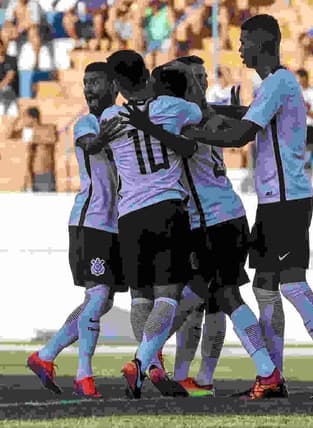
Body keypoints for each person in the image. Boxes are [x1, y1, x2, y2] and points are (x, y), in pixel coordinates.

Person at [161, 14, 313, 400]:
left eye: (243, 42)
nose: (239, 49)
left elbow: (240, 136)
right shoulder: (274, 86)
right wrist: (217, 113)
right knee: (266, 288)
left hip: (287, 200)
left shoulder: (279, 83)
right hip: (276, 200)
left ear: (262, 43)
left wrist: (191, 133)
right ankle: (274, 379)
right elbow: (246, 117)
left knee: (292, 285)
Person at [121, 56, 283, 400]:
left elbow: (194, 139)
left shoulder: (187, 120)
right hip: (216, 219)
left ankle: (150, 360)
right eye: (194, 78)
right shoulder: (195, 115)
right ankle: (158, 363)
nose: (201, 83)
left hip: (215, 221)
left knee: (219, 297)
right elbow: (224, 119)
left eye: (202, 76)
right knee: (195, 297)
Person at [89, 50, 201, 399]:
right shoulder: (173, 107)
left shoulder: (110, 115)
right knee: (168, 296)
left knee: (140, 297)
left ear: (118, 84)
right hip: (167, 207)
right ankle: (142, 361)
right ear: (147, 76)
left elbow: (96, 146)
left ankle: (150, 367)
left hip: (129, 216)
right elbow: (200, 113)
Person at [26, 62, 126, 398]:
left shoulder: (122, 120)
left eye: (96, 82)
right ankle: (84, 376)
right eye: (86, 83)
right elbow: (91, 144)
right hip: (90, 221)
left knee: (103, 300)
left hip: (113, 225)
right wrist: (111, 134)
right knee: (98, 296)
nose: (88, 88)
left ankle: (46, 355)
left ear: (114, 85)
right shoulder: (87, 122)